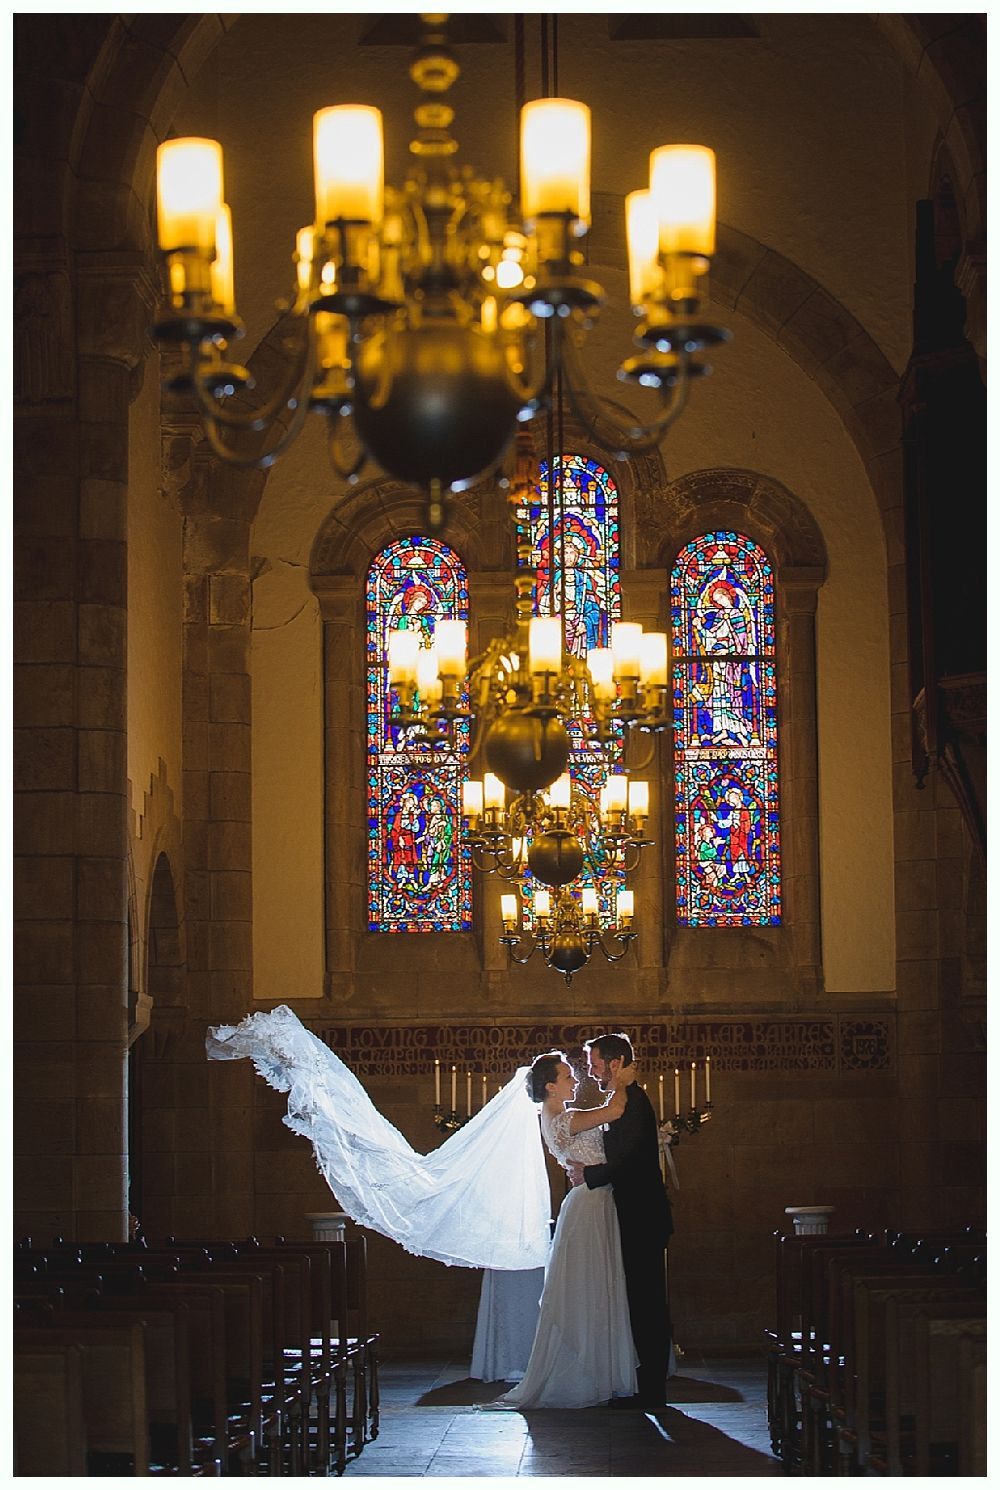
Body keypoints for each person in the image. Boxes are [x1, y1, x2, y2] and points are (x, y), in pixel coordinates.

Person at [498, 1052, 638, 1409]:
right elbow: (617, 1111)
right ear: (550, 1086)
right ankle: (586, 1374)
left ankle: (598, 1372)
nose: (576, 1081)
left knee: (594, 1285)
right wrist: (621, 1078)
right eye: (568, 1077)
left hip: (592, 1200)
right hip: (589, 1203)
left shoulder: (557, 1117)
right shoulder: (566, 1118)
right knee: (589, 1286)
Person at [567, 1032, 673, 1410]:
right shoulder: (623, 1099)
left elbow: (630, 1161)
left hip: (643, 1216)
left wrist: (590, 1176)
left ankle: (653, 1392)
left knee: (647, 1303)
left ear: (614, 1063)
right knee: (639, 1301)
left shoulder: (635, 1102)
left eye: (596, 1064)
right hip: (632, 1215)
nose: (592, 1072)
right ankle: (645, 1385)